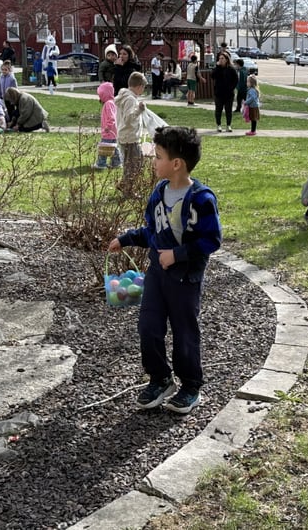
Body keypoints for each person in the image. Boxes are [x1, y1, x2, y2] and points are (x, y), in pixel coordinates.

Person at [107, 125, 222, 414]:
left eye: (158, 156)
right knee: (148, 327)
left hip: (185, 280)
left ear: (177, 163)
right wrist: (126, 239)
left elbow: (212, 240)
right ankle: (160, 379)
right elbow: (152, 231)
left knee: (184, 332)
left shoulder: (201, 199)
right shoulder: (159, 192)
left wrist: (177, 255)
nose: (153, 161)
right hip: (157, 276)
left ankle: (191, 386)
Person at [115, 71, 148, 196]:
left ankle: (124, 184)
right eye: (143, 87)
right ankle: (127, 189)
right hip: (129, 137)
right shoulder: (130, 99)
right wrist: (139, 110)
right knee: (134, 164)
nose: (143, 90)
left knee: (133, 163)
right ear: (139, 86)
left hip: (127, 136)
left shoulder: (127, 97)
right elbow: (128, 118)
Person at [93, 81, 123, 170]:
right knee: (113, 147)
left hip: (108, 131)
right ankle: (117, 163)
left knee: (104, 147)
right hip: (113, 131)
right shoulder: (112, 102)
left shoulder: (108, 104)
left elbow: (111, 117)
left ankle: (101, 164)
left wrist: (108, 126)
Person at [211, 51, 238, 132]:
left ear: (226, 59)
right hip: (219, 93)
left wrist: (231, 88)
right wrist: (217, 67)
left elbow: (236, 80)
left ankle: (228, 125)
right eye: (219, 58)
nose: (221, 60)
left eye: (222, 58)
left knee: (228, 110)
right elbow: (212, 76)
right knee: (218, 110)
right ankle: (218, 125)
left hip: (229, 94)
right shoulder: (217, 68)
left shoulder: (231, 69)